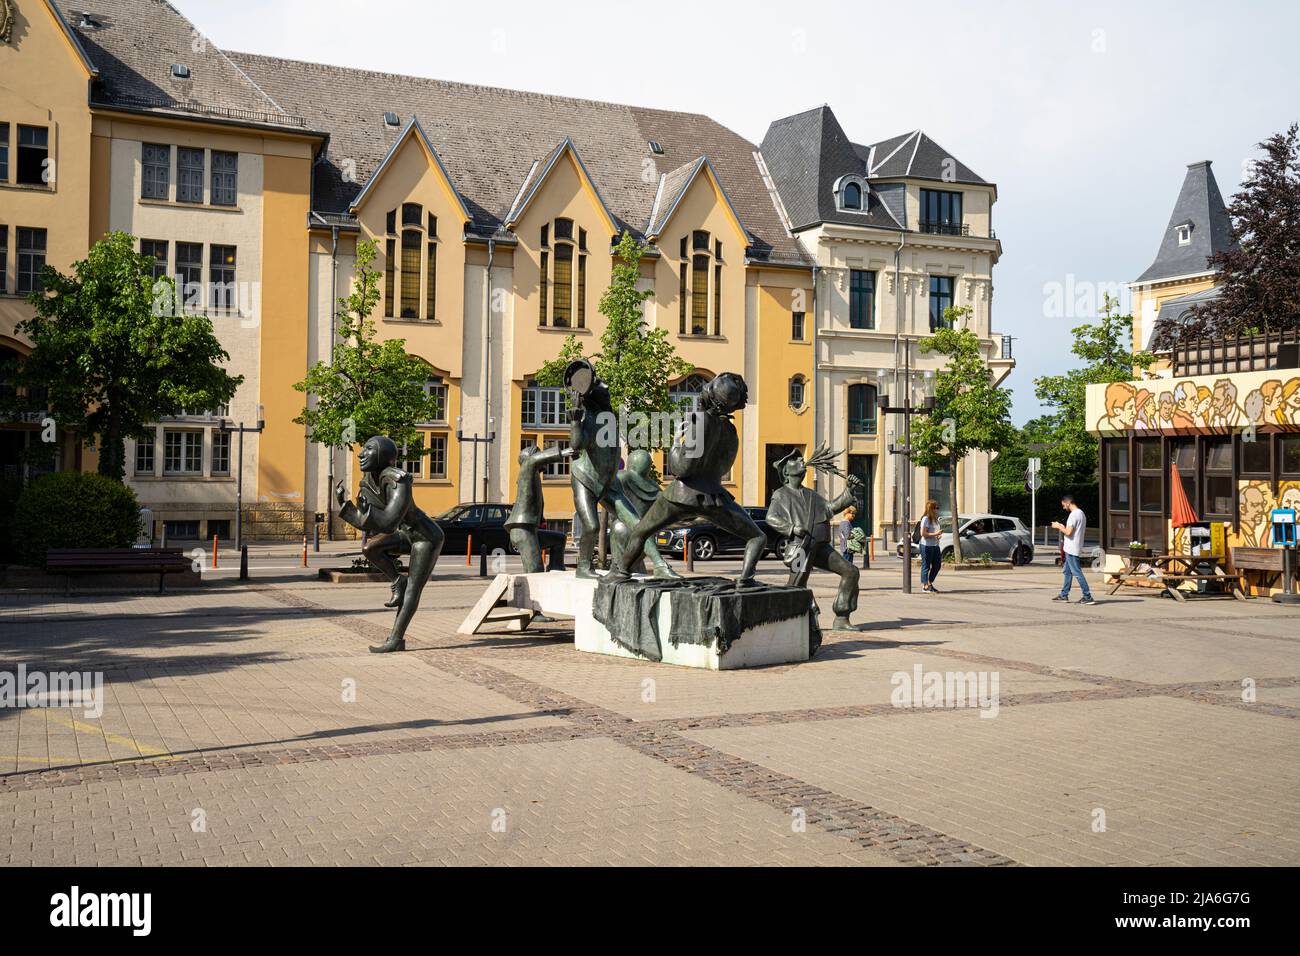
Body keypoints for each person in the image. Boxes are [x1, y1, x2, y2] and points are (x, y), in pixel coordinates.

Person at [335, 436, 445, 652]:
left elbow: (388, 522)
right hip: (405, 534)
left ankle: (396, 639)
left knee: (414, 589)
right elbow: (366, 523)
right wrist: (345, 506)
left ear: (382, 454)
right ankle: (397, 581)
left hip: (426, 537)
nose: (361, 454)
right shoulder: (368, 481)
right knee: (369, 548)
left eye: (368, 449)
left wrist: (365, 513)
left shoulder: (398, 480)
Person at [766, 449, 863, 629]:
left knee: (851, 572)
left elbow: (830, 508)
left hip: (820, 546)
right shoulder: (781, 494)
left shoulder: (811, 495)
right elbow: (771, 517)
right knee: (796, 585)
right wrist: (791, 529)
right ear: (786, 471)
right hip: (801, 548)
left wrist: (849, 491)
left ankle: (842, 617)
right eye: (794, 459)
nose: (802, 460)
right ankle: (784, 620)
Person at [1051, 494, 1095, 605]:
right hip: (1074, 547)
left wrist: (1058, 526)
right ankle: (1064, 594)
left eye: (1063, 505)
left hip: (1071, 548)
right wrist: (1062, 526)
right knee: (1067, 571)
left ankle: (1087, 596)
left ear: (1068, 503)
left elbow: (1068, 532)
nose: (1063, 507)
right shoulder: (1081, 513)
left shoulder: (1073, 515)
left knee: (1076, 572)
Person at [918, 499, 943, 593]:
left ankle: (929, 582)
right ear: (931, 509)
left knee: (937, 565)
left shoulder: (935, 519)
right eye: (936, 508)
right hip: (926, 545)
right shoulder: (926, 519)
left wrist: (938, 535)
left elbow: (934, 532)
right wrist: (935, 533)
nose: (938, 510)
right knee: (926, 565)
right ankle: (925, 586)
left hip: (935, 545)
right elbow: (923, 533)